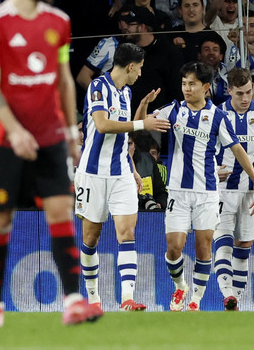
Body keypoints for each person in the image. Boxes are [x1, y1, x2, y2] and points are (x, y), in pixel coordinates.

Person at [0, 0, 99, 326]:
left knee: (61, 213)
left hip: (49, 137)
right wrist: (15, 130)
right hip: (6, 141)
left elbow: (63, 78)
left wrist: (71, 129)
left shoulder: (59, 22)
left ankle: (75, 300)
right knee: (0, 220)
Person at [154, 62, 254, 312]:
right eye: (184, 83)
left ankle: (198, 300)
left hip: (211, 191)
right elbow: (143, 122)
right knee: (175, 248)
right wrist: (142, 108)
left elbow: (239, 149)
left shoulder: (220, 116)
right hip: (184, 191)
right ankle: (181, 286)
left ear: (205, 87)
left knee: (211, 247)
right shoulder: (174, 110)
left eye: (191, 83)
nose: (186, 88)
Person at [76, 43, 170, 314]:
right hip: (92, 174)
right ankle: (93, 299)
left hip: (120, 174)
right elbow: (104, 125)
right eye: (139, 69)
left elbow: (123, 136)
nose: (140, 74)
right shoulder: (98, 87)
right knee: (91, 238)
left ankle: (127, 298)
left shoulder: (127, 93)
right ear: (130, 66)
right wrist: (143, 124)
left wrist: (132, 167)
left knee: (126, 233)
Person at [213, 68, 254, 311]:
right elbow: (203, 150)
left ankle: (236, 301)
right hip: (222, 190)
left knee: (244, 245)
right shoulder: (216, 114)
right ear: (229, 91)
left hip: (250, 191)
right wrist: (213, 169)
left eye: (249, 92)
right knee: (223, 240)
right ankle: (227, 295)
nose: (246, 98)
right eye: (240, 94)